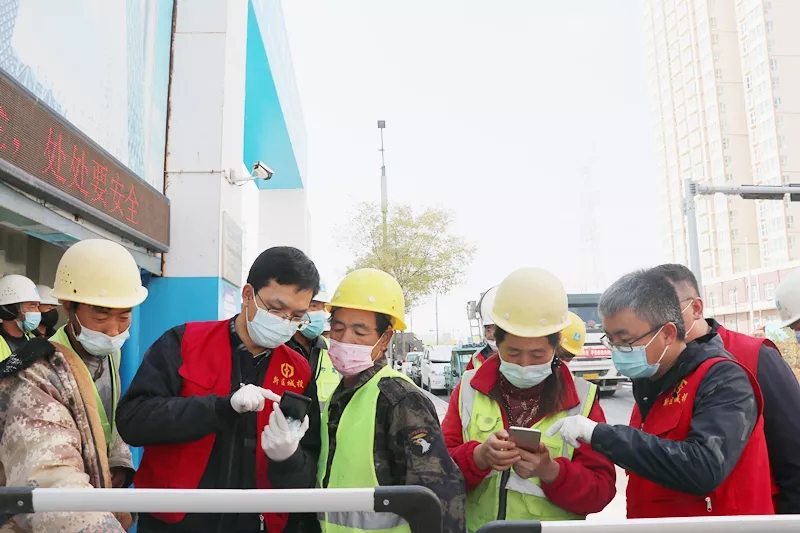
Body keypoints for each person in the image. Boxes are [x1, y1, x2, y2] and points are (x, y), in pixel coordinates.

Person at [117, 246, 322, 533]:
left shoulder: (298, 371)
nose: (285, 323)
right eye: (276, 310)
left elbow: (308, 468)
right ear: (248, 295)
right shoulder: (184, 342)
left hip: (258, 524)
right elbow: (133, 421)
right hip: (176, 522)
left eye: (297, 316)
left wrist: (288, 459)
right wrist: (220, 408)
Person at [548, 269, 774, 518]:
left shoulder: (723, 380)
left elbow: (704, 467)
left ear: (667, 333)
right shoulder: (651, 383)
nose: (616, 350)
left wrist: (600, 435)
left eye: (625, 340)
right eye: (610, 339)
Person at [443, 268, 615, 532]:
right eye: (513, 353)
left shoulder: (583, 400)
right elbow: (435, 472)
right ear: (496, 342)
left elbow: (601, 491)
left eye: (537, 355)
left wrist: (551, 471)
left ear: (555, 347)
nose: (524, 364)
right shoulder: (468, 388)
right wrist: (478, 457)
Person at [0, 238, 146, 532]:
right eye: (101, 315)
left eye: (124, 316)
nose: (113, 330)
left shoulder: (110, 354)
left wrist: (117, 460)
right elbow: (51, 483)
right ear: (68, 307)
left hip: (96, 496)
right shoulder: (37, 372)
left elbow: (109, 417)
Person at [318, 268, 466, 533]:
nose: (344, 339)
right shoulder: (340, 396)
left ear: (385, 338)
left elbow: (439, 496)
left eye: (359, 332)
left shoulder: (400, 400)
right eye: (337, 328)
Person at [653, 263, 800, 514]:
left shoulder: (753, 357)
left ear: (696, 308)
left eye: (665, 311)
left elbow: (793, 457)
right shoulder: (655, 368)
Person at [286, 278, 340, 411]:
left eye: (323, 307)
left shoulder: (332, 351)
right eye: (314, 306)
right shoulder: (278, 349)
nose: (320, 313)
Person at [0, 274, 40, 360]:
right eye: (32, 306)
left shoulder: (34, 340)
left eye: (38, 307)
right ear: (11, 310)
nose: (37, 312)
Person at [466, 286, 498, 371]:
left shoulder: (519, 357)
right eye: (488, 329)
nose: (492, 335)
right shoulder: (476, 358)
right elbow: (465, 378)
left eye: (496, 329)